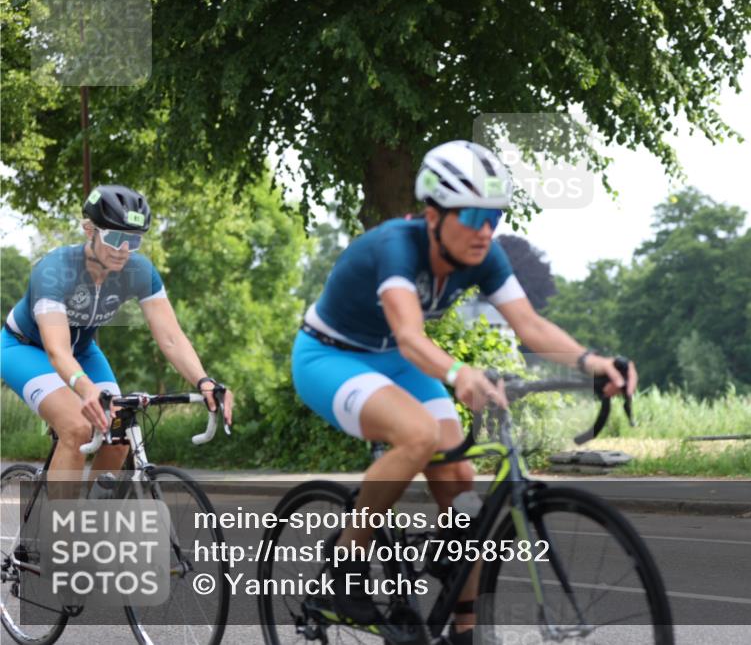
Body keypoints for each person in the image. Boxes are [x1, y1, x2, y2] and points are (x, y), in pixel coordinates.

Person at [292, 141, 637, 644]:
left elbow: (530, 325)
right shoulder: (396, 245)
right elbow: (410, 336)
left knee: (459, 481)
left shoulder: (484, 255)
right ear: (434, 215)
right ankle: (345, 567)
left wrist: (593, 363)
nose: (484, 231)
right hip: (330, 356)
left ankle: (465, 629)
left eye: (494, 218)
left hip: (395, 361)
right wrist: (459, 373)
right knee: (418, 434)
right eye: (473, 216)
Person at [1, 185, 234, 485]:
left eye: (133, 240)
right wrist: (86, 389)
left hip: (82, 351)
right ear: (89, 230)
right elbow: (57, 350)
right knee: (77, 427)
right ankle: (61, 517)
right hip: (25, 348)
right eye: (114, 238)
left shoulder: (139, 271)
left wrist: (204, 381)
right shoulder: (54, 270)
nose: (123, 249)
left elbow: (171, 337)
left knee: (120, 429)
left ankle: (96, 510)